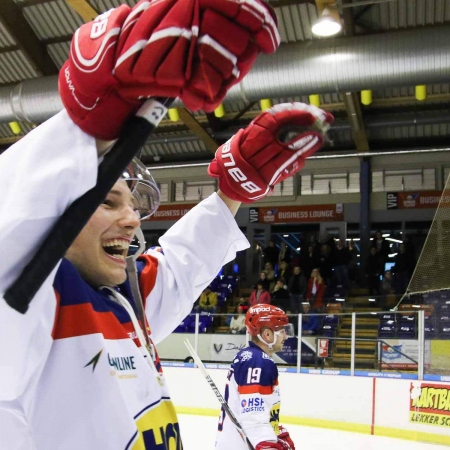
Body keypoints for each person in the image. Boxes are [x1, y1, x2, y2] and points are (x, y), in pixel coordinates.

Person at [0, 3, 332, 448]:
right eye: (108, 201)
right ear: (56, 213)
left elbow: (181, 262)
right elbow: (12, 226)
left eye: (133, 203)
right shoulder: (26, 303)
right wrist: (91, 116)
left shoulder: (127, 299)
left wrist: (232, 192)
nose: (132, 216)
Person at [215, 304, 296, 450]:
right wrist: (268, 445)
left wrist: (274, 429)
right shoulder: (258, 361)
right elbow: (254, 417)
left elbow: (254, 409)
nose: (286, 336)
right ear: (267, 335)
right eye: (282, 331)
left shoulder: (250, 356)